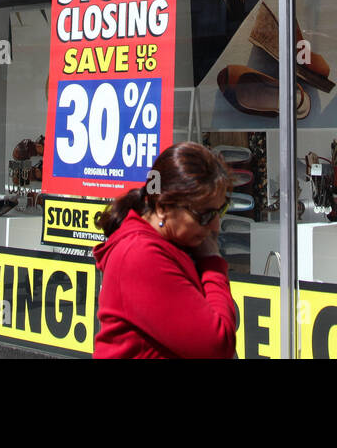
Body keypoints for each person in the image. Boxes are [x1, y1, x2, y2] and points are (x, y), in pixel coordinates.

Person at [92, 141, 236, 358]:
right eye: (204, 214)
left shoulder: (172, 244)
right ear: (162, 207)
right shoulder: (140, 255)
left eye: (220, 211)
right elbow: (216, 347)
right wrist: (212, 263)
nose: (215, 225)